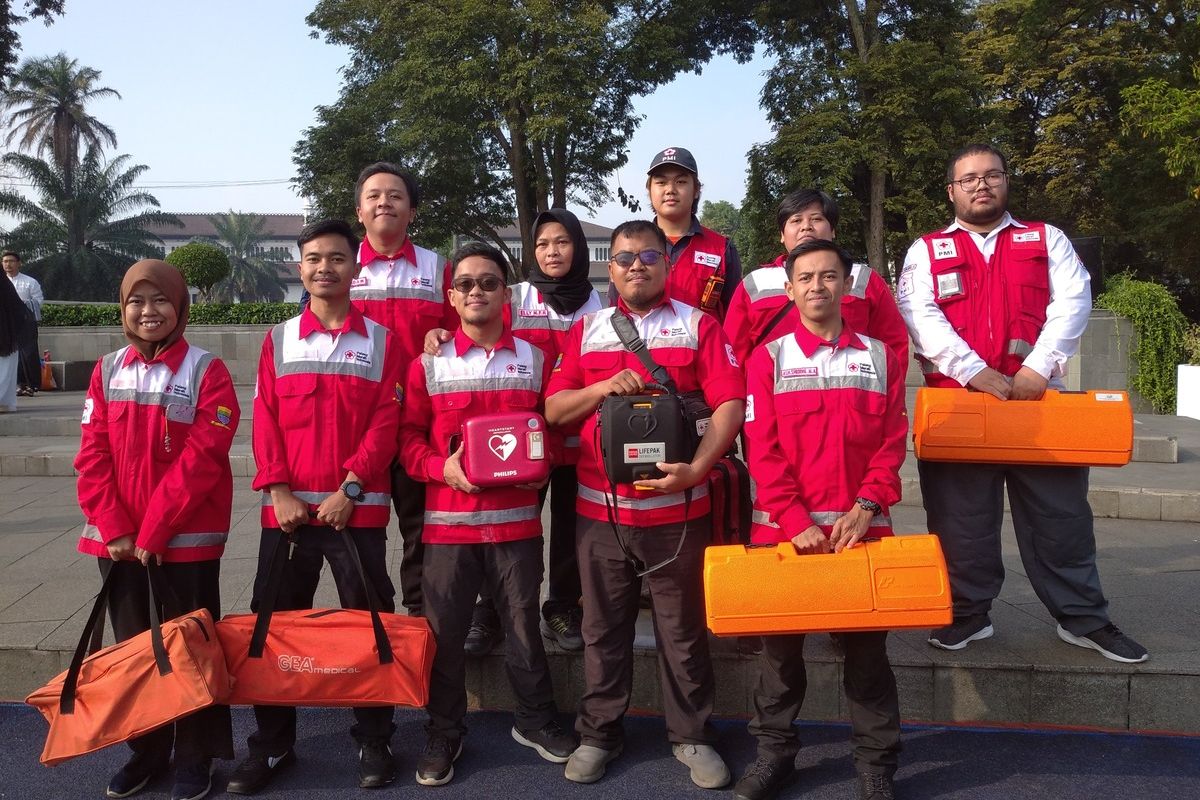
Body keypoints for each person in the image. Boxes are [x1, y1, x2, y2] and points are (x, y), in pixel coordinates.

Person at [897, 143, 1148, 663]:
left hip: (1037, 403)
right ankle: (968, 613)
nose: (981, 185)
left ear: (1006, 181)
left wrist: (1039, 366)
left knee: (1061, 519)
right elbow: (918, 313)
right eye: (968, 179)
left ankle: (1083, 618)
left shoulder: (1045, 238)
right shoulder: (926, 250)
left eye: (991, 175)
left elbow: (1074, 298)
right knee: (960, 523)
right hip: (960, 406)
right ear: (951, 191)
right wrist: (972, 371)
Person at [546, 220, 745, 789]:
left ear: (667, 265)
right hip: (600, 515)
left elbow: (731, 404)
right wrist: (598, 389)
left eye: (650, 256)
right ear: (610, 269)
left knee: (682, 632)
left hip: (680, 512)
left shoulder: (699, 325)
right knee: (601, 629)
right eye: (625, 257)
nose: (637, 265)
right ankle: (598, 734)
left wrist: (697, 470)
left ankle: (692, 735)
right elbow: (554, 411)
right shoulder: (585, 331)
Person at [229, 219, 404, 794]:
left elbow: (386, 421)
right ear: (300, 267)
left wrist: (350, 489)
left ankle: (374, 738)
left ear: (356, 267)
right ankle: (272, 744)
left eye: (336, 258)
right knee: (273, 627)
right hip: (287, 516)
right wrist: (278, 490)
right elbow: (265, 420)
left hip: (358, 511)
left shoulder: (381, 342)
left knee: (369, 622)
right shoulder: (278, 339)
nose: (324, 267)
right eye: (313, 258)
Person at [399, 241, 576, 787]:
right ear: (451, 297)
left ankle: (535, 719)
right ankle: (444, 731)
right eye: (466, 284)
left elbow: (553, 431)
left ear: (507, 295)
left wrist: (545, 463)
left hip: (517, 524)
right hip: (448, 529)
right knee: (444, 635)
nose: (477, 291)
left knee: (523, 627)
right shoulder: (427, 364)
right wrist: (440, 468)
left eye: (489, 282)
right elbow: (407, 442)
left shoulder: (537, 359)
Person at [737, 240, 906, 800]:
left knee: (868, 659)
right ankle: (774, 756)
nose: (817, 286)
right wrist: (793, 519)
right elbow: (761, 449)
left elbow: (891, 443)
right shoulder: (767, 359)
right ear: (789, 289)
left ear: (846, 286)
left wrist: (868, 504)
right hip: (784, 537)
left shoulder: (880, 358)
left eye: (829, 276)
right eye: (806, 277)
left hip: (863, 534)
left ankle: (876, 766)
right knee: (779, 659)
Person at [74, 259, 239, 800]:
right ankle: (146, 752)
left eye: (160, 300)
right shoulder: (107, 370)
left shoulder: (207, 371)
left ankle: (196, 757)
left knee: (191, 650)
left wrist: (156, 530)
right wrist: (116, 528)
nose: (148, 311)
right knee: (135, 653)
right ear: (122, 310)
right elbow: (92, 454)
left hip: (184, 544)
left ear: (180, 306)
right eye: (136, 302)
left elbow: (203, 459)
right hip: (119, 545)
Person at [426, 209, 604, 656]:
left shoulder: (600, 304)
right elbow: (477, 326)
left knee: (571, 527)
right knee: (506, 528)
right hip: (518, 442)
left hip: (580, 438)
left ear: (579, 248)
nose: (552, 252)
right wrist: (439, 334)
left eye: (562, 242)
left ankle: (562, 606)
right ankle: (488, 610)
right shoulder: (515, 296)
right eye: (542, 244)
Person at [349, 162, 457, 618]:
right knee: (359, 528)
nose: (384, 203)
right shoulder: (341, 265)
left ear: (412, 211)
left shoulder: (437, 268)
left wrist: (443, 336)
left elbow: (461, 331)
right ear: (359, 211)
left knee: (421, 526)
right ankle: (370, 624)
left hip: (417, 421)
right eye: (373, 196)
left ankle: (422, 616)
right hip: (360, 425)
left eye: (395, 196)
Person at [722, 190, 908, 367]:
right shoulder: (755, 283)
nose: (806, 227)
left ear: (833, 230)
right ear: (782, 235)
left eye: (816, 219)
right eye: (796, 220)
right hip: (771, 387)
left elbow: (893, 344)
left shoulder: (863, 279)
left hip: (852, 385)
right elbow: (732, 351)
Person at [616, 148, 741, 319]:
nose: (670, 190)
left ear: (696, 190)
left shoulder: (722, 249)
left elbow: (736, 317)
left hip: (704, 337)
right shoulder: (627, 246)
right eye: (661, 182)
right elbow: (616, 311)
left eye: (681, 182)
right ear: (649, 190)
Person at [3, 251, 44, 396]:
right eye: (5, 261)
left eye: (11, 261)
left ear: (19, 263)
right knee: (9, 354)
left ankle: (32, 385)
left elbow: (38, 301)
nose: (8, 264)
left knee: (29, 353)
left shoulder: (30, 282)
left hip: (26, 323)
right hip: (6, 324)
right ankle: (15, 385)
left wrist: (20, 305)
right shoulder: (2, 282)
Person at [0, 275, 29, 412]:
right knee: (6, 372)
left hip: (7, 339)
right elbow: (20, 311)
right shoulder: (6, 285)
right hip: (7, 338)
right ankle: (4, 402)